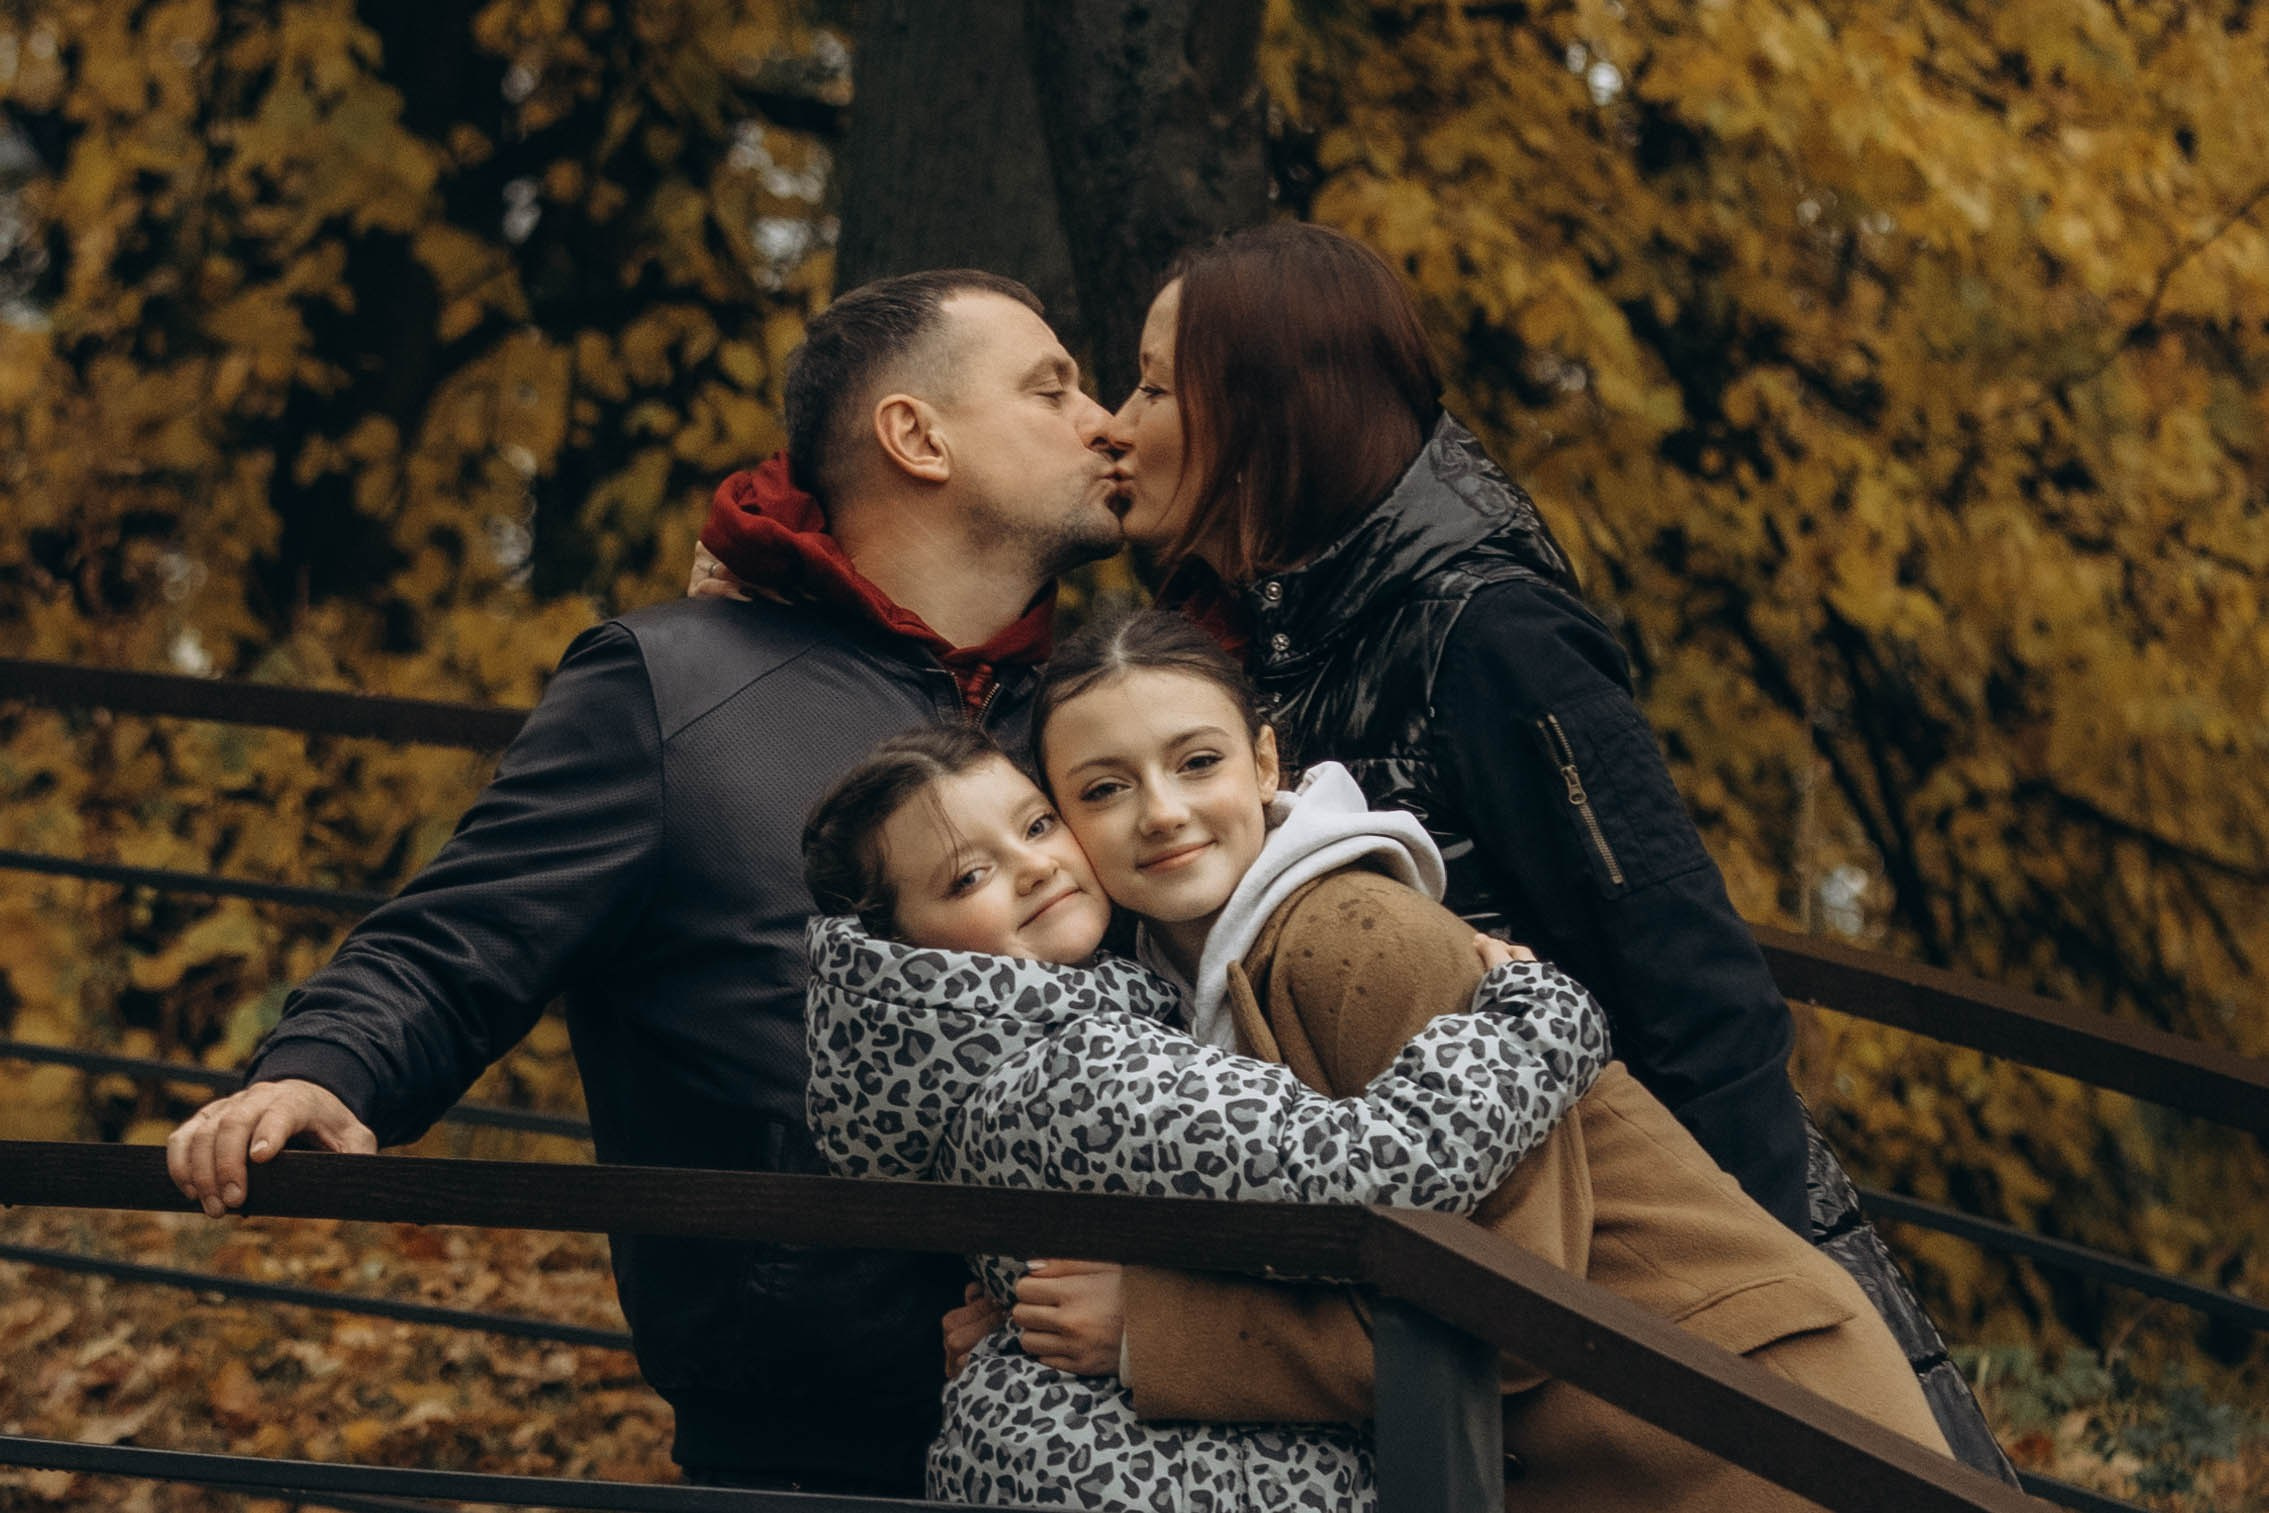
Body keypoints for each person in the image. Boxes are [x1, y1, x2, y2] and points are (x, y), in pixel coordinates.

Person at [164, 268, 1127, 1494]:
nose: (1098, 417)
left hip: (1110, 1423)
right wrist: (319, 1069)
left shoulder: (1096, 717)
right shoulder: (671, 684)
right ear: (915, 435)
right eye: (1052, 388)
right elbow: (460, 938)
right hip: (809, 1449)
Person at [1089, 221, 2011, 1475]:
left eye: (1151, 385)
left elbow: (1690, 982)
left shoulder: (1486, 629)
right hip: (1463, 1270)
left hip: (1647, 1278)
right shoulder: (1250, 634)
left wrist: (1758, 1300)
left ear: (1258, 411)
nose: (1115, 421)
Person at [801, 610, 1949, 1511]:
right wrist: (1020, 1312)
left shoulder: (1356, 937)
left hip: (1743, 1423)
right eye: (1099, 790)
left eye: (1195, 761)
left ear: (1263, 762)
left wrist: (1159, 1333)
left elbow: (1508, 1303)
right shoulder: (1144, 991)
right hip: (1607, 1430)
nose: (1158, 813)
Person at [799, 721, 1607, 1512]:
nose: (1035, 866)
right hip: (1177, 1476)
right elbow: (1381, 1175)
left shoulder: (957, 1071)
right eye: (968, 876)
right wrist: (1536, 1019)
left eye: (1037, 824)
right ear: (895, 947)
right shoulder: (1079, 1071)